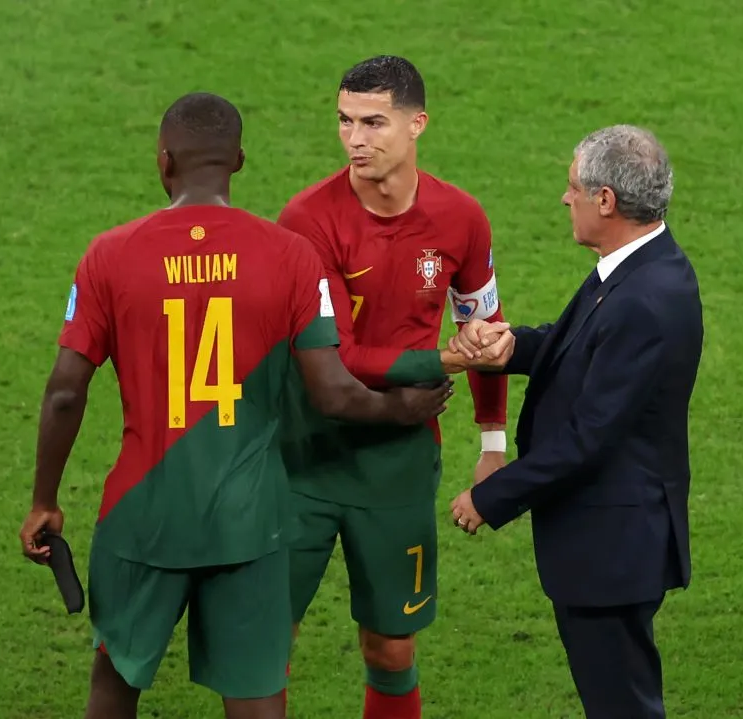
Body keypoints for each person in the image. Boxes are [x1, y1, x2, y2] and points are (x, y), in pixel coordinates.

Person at [17, 92, 454, 719]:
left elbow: (64, 392)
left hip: (143, 515)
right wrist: (403, 411)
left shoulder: (109, 254)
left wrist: (44, 501)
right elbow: (332, 391)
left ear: (163, 162)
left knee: (112, 693)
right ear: (239, 161)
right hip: (250, 522)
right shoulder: (291, 256)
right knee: (256, 701)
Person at [276, 56, 508, 719]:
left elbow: (484, 326)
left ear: (417, 124)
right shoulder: (307, 221)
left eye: (374, 122)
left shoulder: (462, 218)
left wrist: (491, 441)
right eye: (345, 121)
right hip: (303, 461)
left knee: (391, 648)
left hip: (399, 465)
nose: (355, 140)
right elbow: (337, 354)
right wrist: (441, 360)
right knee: (267, 640)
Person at [449, 124, 704, 719]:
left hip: (613, 548)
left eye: (573, 188)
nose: (566, 199)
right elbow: (582, 349)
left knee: (622, 707)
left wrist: (491, 497)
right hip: (610, 537)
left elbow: (589, 438)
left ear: (606, 201)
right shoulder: (637, 267)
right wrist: (512, 347)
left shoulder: (645, 296)